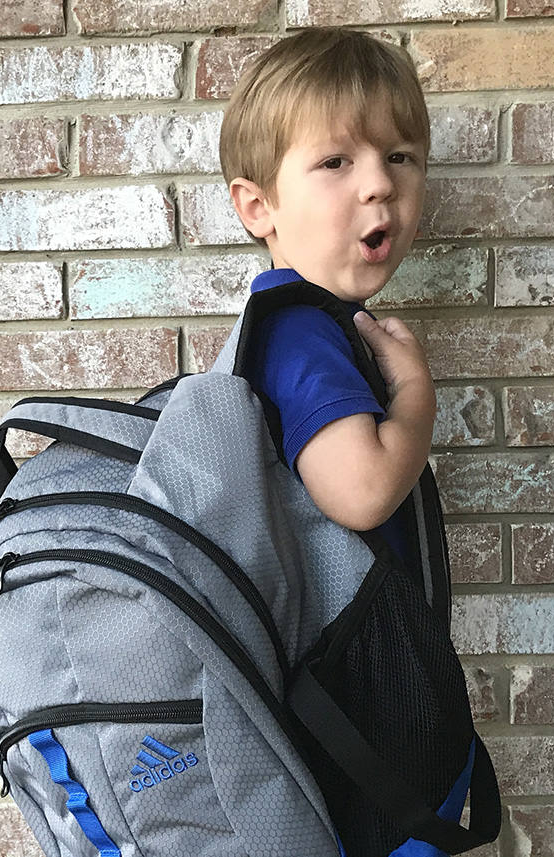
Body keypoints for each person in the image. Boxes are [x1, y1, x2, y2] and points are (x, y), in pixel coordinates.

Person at [220, 27, 471, 857]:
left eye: (402, 157)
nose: (379, 186)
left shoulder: (314, 328)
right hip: (353, 704)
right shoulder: (302, 335)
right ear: (258, 206)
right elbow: (360, 489)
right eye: (336, 163)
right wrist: (416, 399)